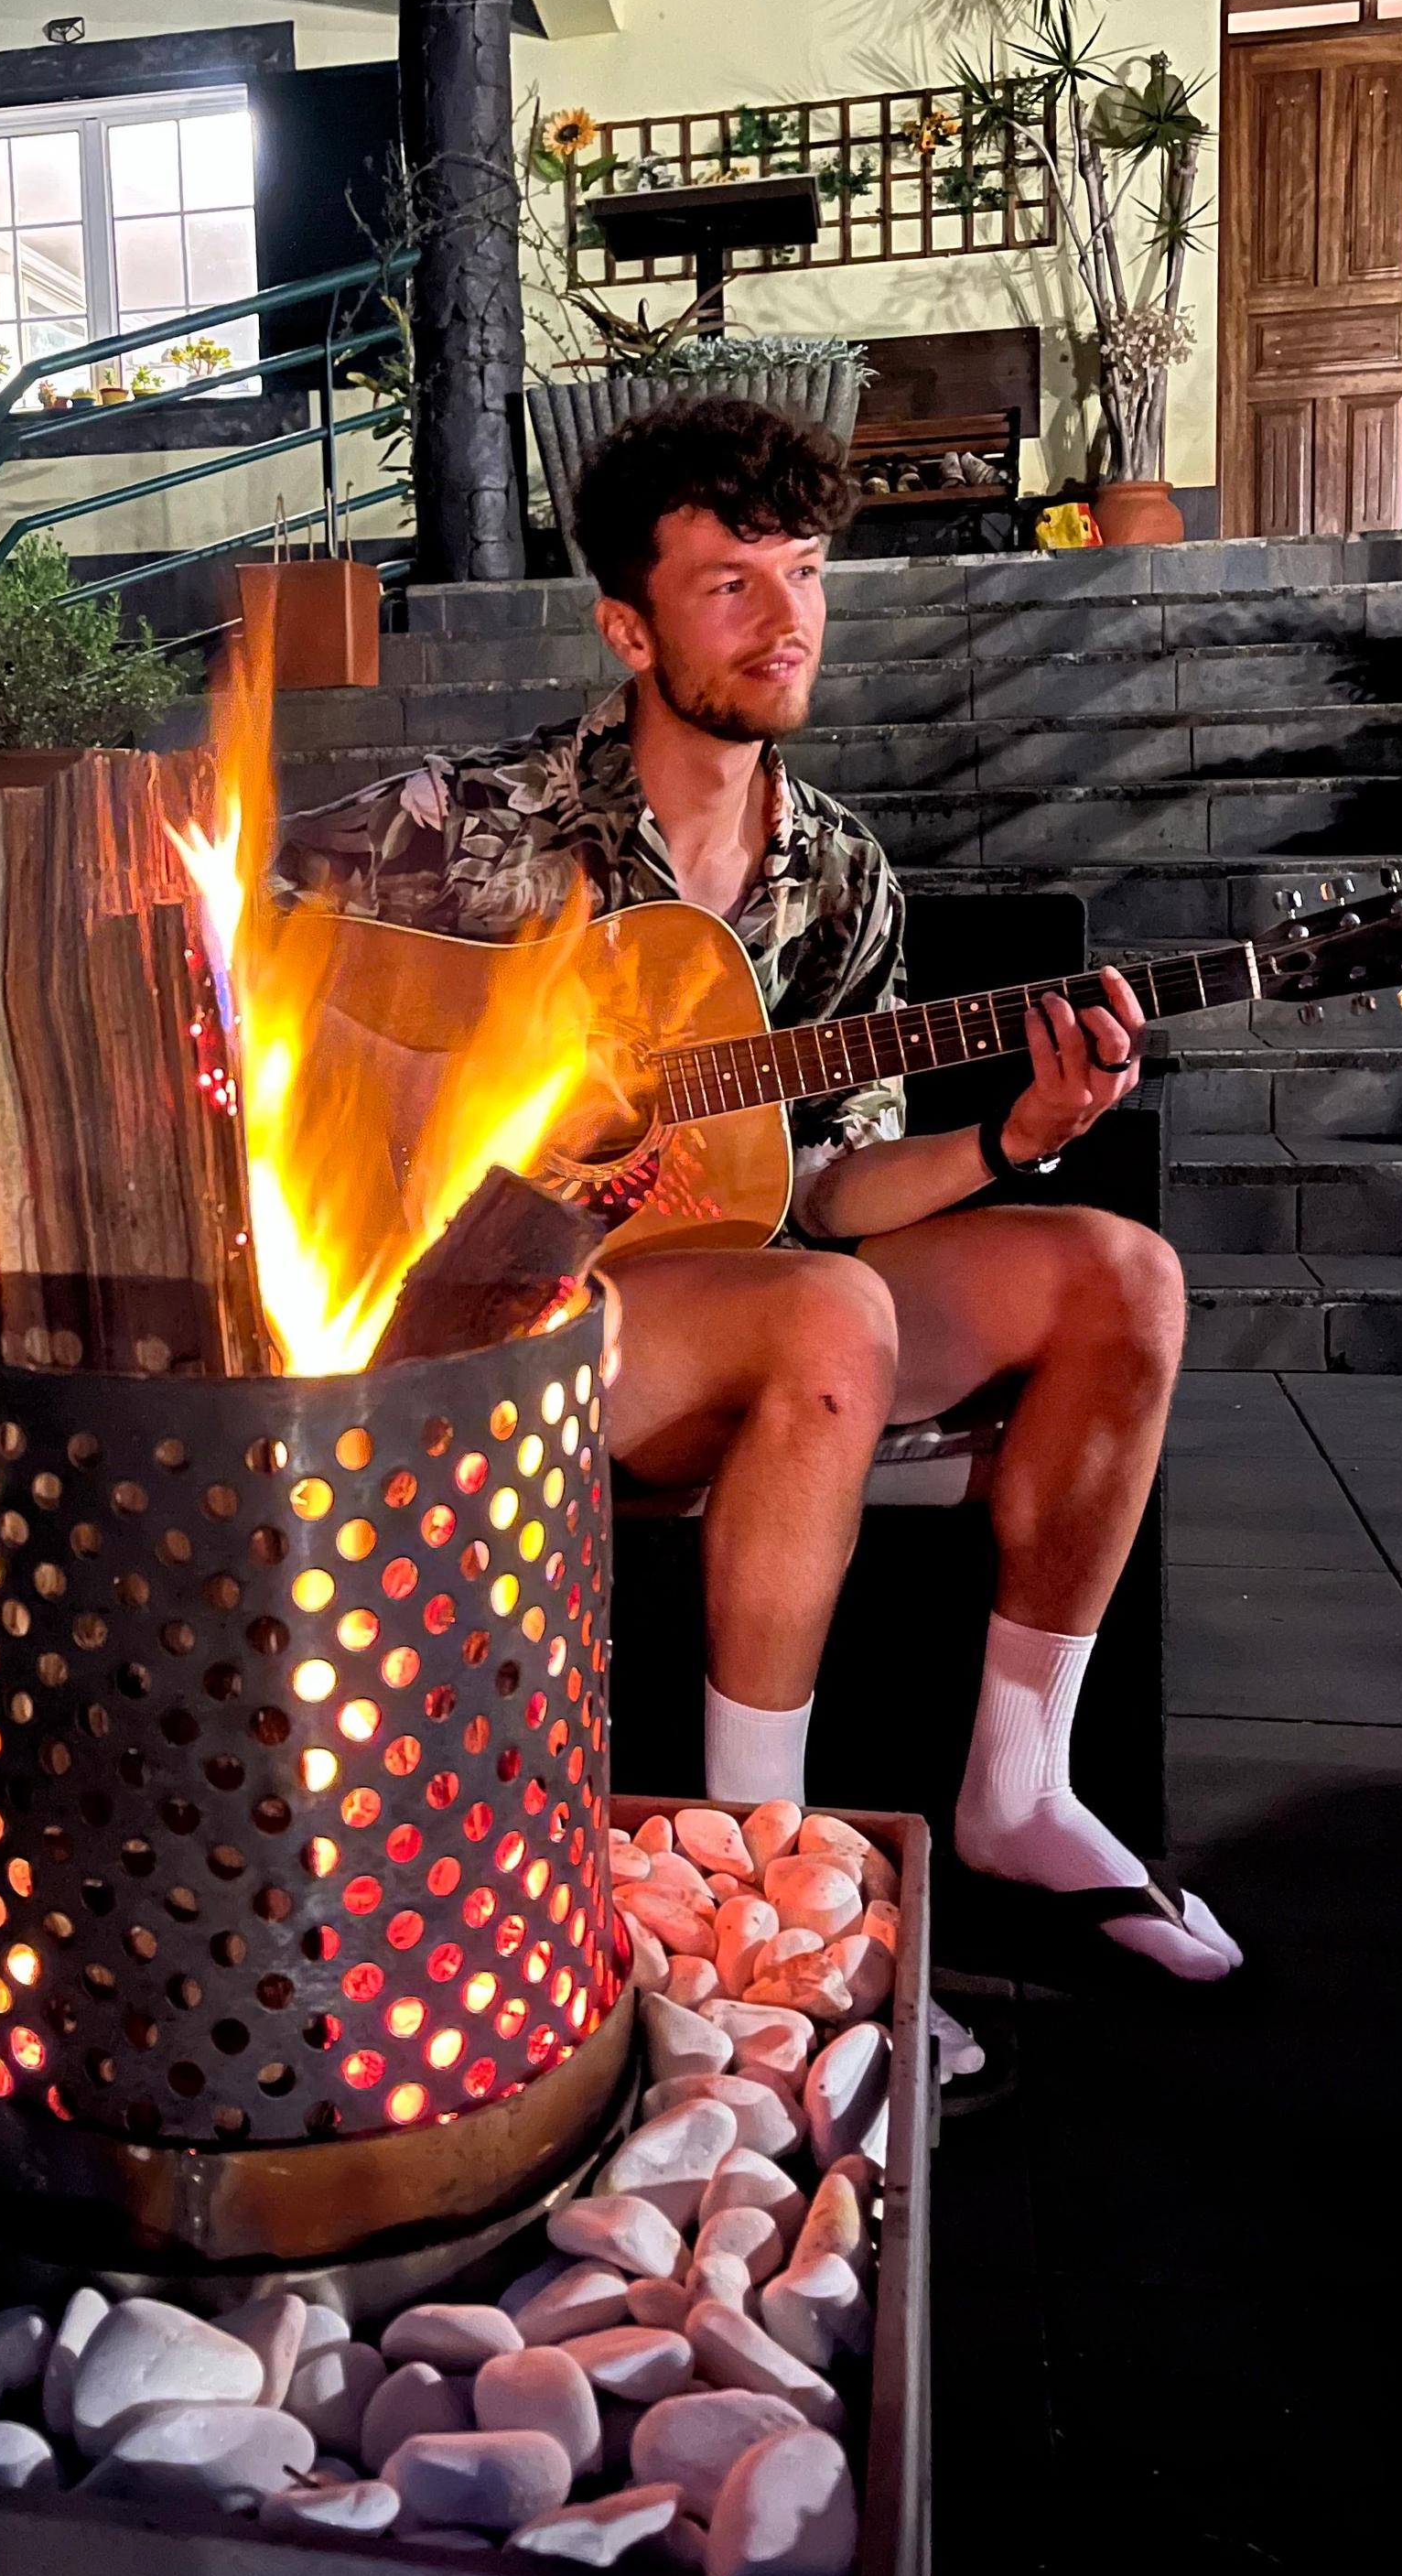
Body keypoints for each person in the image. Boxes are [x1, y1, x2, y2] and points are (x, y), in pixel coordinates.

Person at [278, 396, 1238, 1982]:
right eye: (731, 584)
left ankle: (1019, 1787)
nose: (786, 618)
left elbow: (838, 1178)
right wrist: (446, 1097)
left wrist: (1013, 1140)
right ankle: (758, 1877)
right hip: (509, 1315)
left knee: (1119, 1276)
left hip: (759, 1274)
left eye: (803, 573)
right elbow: (242, 940)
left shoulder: (842, 872)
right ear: (630, 628)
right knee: (829, 1310)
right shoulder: (479, 818)